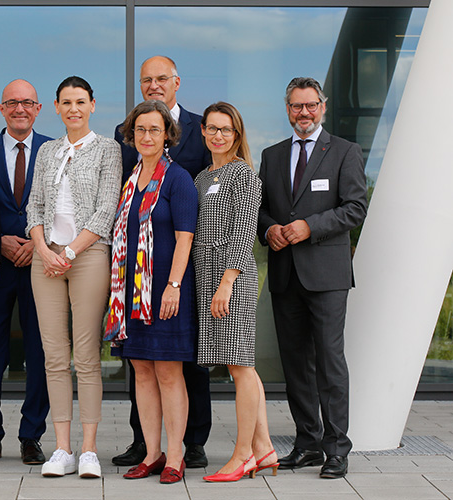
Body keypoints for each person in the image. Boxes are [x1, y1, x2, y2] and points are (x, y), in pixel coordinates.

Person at [257, 77, 368, 479]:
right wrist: (268, 228)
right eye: (295, 106)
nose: (303, 113)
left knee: (329, 361)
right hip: (286, 274)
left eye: (310, 105)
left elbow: (355, 208)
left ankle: (337, 448)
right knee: (295, 364)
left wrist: (310, 226)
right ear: (287, 109)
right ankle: (307, 444)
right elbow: (263, 209)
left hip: (326, 275)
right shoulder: (271, 156)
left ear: (322, 106)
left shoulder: (344, 152)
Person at [113, 55, 212, 470]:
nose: (147, 136)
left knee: (170, 373)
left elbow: (186, 236)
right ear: (132, 136)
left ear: (166, 135)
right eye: (141, 130)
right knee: (142, 371)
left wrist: (172, 286)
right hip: (133, 294)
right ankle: (151, 453)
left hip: (166, 291)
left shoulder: (179, 179)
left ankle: (176, 456)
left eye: (155, 130)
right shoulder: (130, 180)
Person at [26, 76, 121, 479]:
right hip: (45, 260)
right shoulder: (47, 150)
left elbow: (105, 210)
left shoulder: (108, 149)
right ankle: (61, 448)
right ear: (56, 106)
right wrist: (43, 250)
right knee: (53, 357)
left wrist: (68, 252)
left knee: (85, 357)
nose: (73, 109)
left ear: (93, 105)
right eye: (66, 102)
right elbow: (34, 206)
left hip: (87, 257)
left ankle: (88, 450)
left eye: (80, 101)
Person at [192, 102, 277, 482]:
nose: (217, 135)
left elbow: (244, 234)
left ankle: (243, 454)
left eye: (225, 129)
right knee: (240, 365)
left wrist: (226, 283)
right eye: (211, 128)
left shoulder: (244, 175)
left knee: (239, 365)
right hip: (204, 275)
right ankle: (265, 449)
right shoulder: (201, 177)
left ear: (237, 135)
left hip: (232, 278)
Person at [0, 80, 52, 467]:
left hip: (42, 264)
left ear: (38, 109)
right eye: (12, 103)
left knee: (41, 352)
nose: (20, 109)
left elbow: (66, 205)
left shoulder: (54, 151)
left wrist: (38, 242)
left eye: (27, 103)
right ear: (1, 109)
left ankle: (32, 435)